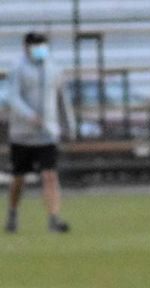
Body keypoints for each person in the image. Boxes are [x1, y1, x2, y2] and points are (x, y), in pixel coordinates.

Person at [5, 32, 75, 234]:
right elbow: (13, 97)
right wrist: (29, 115)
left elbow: (62, 99)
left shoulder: (54, 69)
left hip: (47, 132)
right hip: (22, 134)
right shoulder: (18, 69)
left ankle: (54, 218)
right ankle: (13, 212)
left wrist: (68, 125)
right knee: (19, 178)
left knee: (50, 175)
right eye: (36, 46)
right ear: (26, 47)